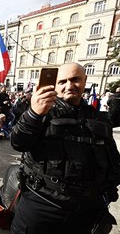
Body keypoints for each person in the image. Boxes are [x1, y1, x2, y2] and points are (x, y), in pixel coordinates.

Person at [10, 63, 120, 234]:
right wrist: (33, 114)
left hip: (86, 209)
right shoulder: (42, 111)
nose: (69, 86)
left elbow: (112, 159)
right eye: (62, 81)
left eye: (75, 79)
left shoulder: (98, 118)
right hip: (43, 203)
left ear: (85, 81)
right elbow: (18, 142)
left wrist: (107, 191)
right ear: (55, 85)